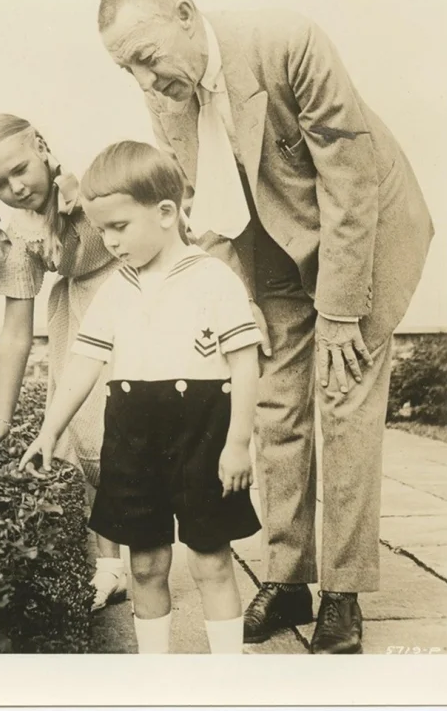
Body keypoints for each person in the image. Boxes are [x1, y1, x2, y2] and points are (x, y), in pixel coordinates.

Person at [96, 0, 434, 654]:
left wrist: (341, 310)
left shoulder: (288, 41)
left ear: (184, 15)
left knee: (343, 403)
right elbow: (196, 204)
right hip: (270, 246)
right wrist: (223, 303)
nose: (143, 80)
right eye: (126, 69)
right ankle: (287, 577)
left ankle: (342, 590)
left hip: (365, 235)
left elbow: (350, 182)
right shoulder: (166, 95)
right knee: (276, 405)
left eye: (146, 57)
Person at [20, 141, 262, 654]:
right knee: (146, 564)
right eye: (101, 229)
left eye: (119, 226)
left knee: (211, 561)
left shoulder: (214, 279)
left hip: (203, 436)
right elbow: (83, 364)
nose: (108, 241)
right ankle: (156, 678)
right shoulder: (116, 288)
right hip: (133, 439)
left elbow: (245, 363)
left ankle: (229, 678)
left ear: (166, 213)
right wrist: (49, 430)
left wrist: (238, 443)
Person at [0, 113, 126, 612]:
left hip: (134, 295)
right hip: (80, 317)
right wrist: (1, 419)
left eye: (19, 169)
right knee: (89, 432)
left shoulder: (91, 185)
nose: (15, 188)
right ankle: (111, 567)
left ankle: (176, 543)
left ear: (39, 145)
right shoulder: (17, 236)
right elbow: (15, 334)